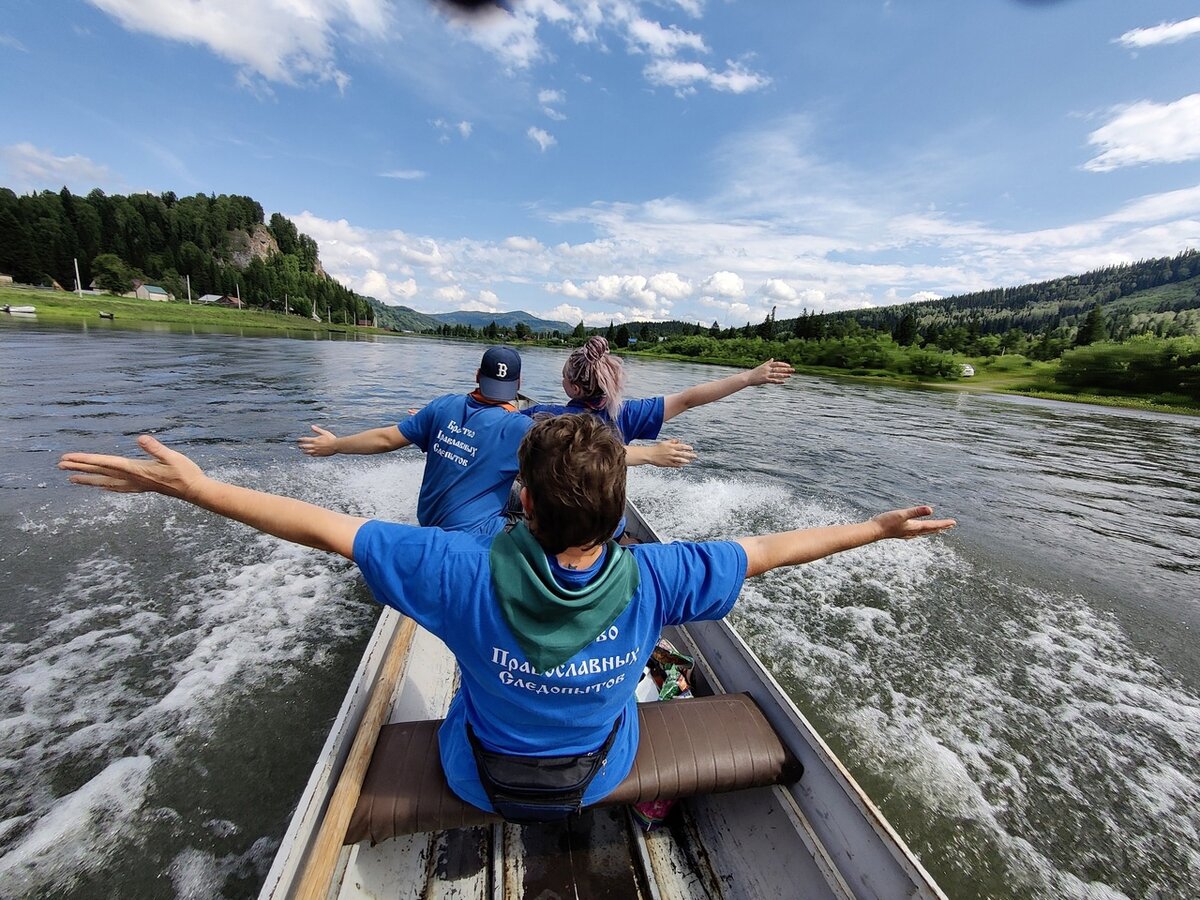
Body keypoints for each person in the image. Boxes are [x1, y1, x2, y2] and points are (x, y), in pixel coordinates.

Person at [59, 414, 955, 822]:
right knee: (632, 689)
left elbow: (319, 528)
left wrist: (201, 488)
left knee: (468, 691)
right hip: (604, 777)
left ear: (519, 501)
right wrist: (877, 529)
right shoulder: (660, 578)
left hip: (476, 777)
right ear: (616, 519)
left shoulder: (455, 568)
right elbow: (773, 548)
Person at [298, 345, 533, 535]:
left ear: (478, 376)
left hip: (429, 522)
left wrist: (335, 445)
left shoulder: (443, 405)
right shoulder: (521, 428)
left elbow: (385, 439)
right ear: (518, 384)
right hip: (474, 534)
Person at [523, 335, 795, 445]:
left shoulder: (544, 417)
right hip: (607, 525)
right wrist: (748, 377)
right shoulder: (626, 415)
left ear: (573, 387)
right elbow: (689, 399)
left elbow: (499, 416)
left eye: (563, 377)